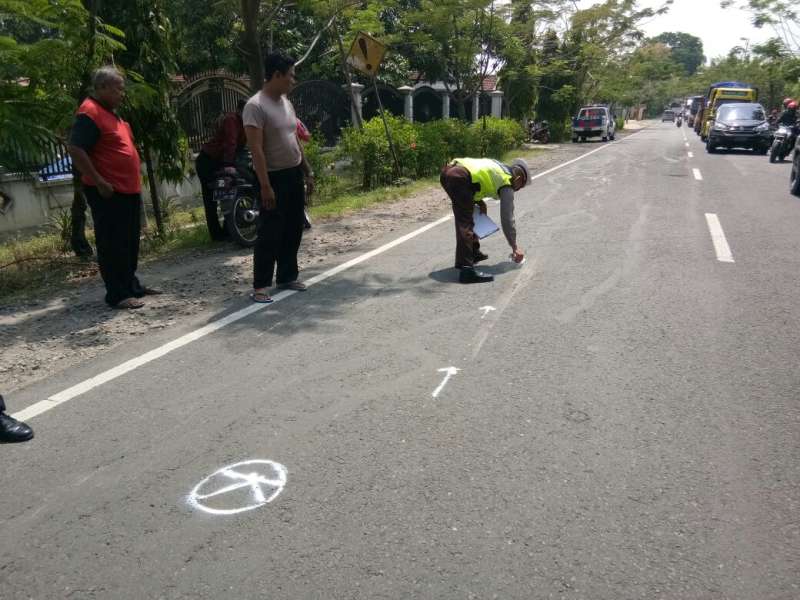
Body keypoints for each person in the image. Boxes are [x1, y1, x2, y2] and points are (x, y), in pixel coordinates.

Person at [67, 66, 160, 310]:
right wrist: (98, 180)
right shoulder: (90, 112)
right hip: (108, 190)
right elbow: (76, 148)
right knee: (113, 243)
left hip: (127, 190)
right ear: (102, 88)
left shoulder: (113, 114)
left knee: (129, 242)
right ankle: (117, 294)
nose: (122, 93)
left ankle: (132, 286)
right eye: (118, 89)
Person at [243, 52, 315, 304]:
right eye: (290, 76)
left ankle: (287, 276)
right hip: (271, 177)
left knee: (294, 227)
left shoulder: (286, 103)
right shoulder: (255, 106)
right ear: (276, 75)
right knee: (270, 231)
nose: (293, 81)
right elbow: (256, 149)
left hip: (293, 172)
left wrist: (307, 170)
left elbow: (294, 138)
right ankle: (261, 285)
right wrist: (265, 186)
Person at [439, 157, 530, 284]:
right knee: (465, 221)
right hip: (460, 177)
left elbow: (476, 178)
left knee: (469, 213)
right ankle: (467, 270)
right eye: (519, 188)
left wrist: (479, 201)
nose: (516, 190)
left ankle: (473, 252)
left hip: (449, 172)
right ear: (518, 179)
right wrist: (514, 247)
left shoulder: (500, 168)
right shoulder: (507, 181)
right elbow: (507, 218)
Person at [195, 100, 248, 241]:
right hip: (208, 161)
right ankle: (216, 234)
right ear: (239, 110)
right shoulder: (232, 119)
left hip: (221, 161)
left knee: (228, 192)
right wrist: (228, 164)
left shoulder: (245, 123)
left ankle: (229, 228)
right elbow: (231, 143)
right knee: (211, 198)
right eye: (245, 111)